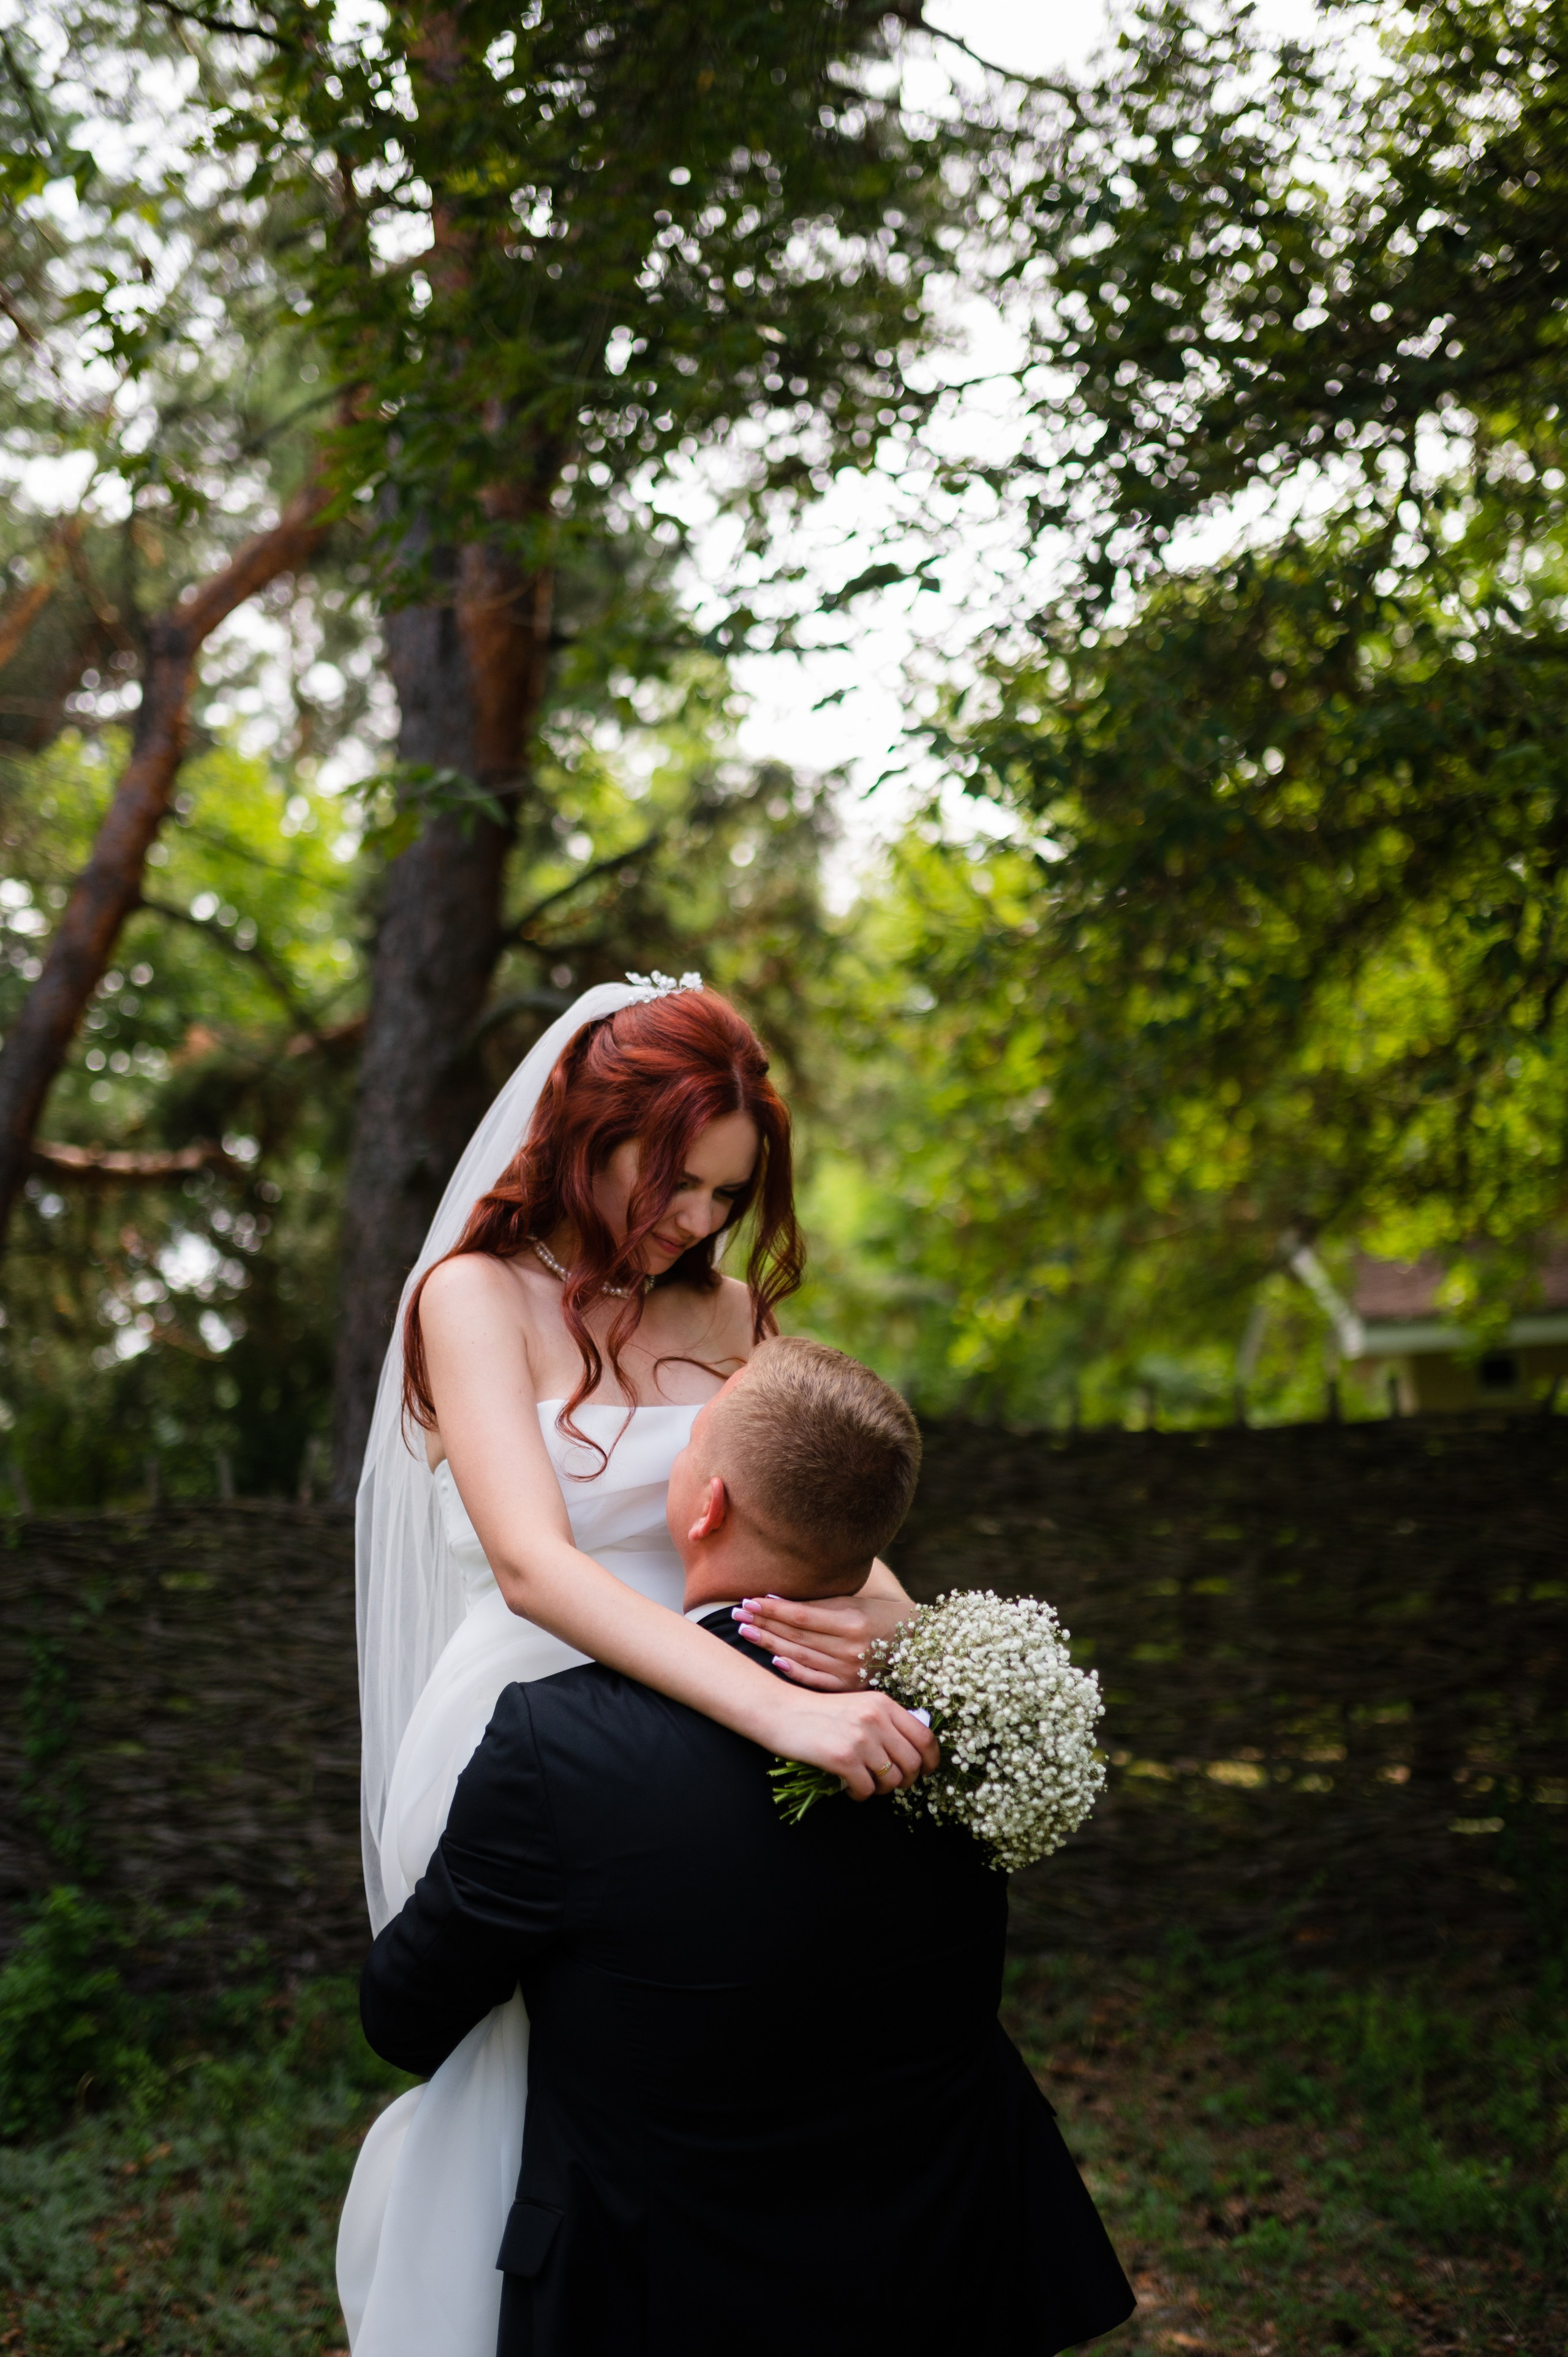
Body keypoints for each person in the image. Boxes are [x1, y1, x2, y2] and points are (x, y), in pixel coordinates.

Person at [338, 976, 938, 2355]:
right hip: (530, 1729)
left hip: (713, 1732)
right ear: (586, 1135)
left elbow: (831, 1534)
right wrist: (777, 1710)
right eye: (677, 1181)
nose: (699, 1221)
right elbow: (537, 1567)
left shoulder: (729, 1319)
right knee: (538, 2071)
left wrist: (890, 1627)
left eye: (728, 1194)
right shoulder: (474, 1297)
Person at [360, 1335, 1136, 2355]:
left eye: (686, 1447)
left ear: (706, 1507)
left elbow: (406, 2016)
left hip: (663, 2297)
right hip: (942, 2278)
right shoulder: (967, 1721)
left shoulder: (559, 1746)